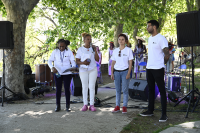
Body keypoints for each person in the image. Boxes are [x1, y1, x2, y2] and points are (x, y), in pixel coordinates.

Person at [140, 20, 169, 122]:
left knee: (161, 90)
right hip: (149, 68)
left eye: (148, 26)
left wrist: (162, 63)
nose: (147, 28)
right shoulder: (150, 38)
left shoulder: (161, 38)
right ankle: (150, 110)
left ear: (154, 27)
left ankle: (164, 114)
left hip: (158, 68)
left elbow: (167, 54)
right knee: (151, 90)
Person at [48, 39, 76, 112]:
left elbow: (73, 61)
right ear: (58, 45)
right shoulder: (55, 52)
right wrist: (52, 67)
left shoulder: (69, 52)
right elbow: (49, 61)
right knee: (58, 89)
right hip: (58, 73)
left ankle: (68, 106)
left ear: (65, 45)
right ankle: (58, 106)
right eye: (60, 46)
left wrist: (73, 67)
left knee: (67, 89)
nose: (61, 48)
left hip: (67, 73)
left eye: (63, 46)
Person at [76, 33, 99, 112]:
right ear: (84, 40)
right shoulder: (80, 49)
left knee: (91, 87)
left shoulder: (93, 49)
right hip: (83, 70)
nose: (89, 41)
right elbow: (77, 61)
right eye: (88, 39)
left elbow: (97, 59)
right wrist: (83, 63)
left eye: (90, 39)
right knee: (85, 87)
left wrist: (95, 50)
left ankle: (92, 104)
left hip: (93, 69)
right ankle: (85, 104)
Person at [111, 34, 133, 113]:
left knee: (125, 90)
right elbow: (113, 62)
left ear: (125, 41)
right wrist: (112, 73)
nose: (121, 41)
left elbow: (130, 63)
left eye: (123, 39)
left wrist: (128, 73)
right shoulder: (115, 50)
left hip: (125, 72)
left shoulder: (128, 50)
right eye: (119, 39)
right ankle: (117, 106)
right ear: (117, 41)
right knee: (117, 90)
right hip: (116, 72)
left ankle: (124, 106)